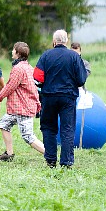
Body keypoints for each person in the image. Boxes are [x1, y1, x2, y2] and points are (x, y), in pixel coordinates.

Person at [34, 29, 88, 168]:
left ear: (54, 41)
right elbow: (82, 79)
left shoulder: (45, 56)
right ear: (66, 41)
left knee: (48, 127)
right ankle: (66, 162)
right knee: (67, 129)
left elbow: (37, 79)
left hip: (49, 97)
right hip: (68, 97)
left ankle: (50, 159)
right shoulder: (74, 56)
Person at [0, 42, 44, 161]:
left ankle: (50, 155)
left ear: (18, 53)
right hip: (18, 107)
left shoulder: (18, 68)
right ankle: (9, 154)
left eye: (13, 50)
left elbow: (10, 87)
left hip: (23, 108)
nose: (12, 52)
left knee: (28, 137)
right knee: (4, 124)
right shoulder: (28, 67)